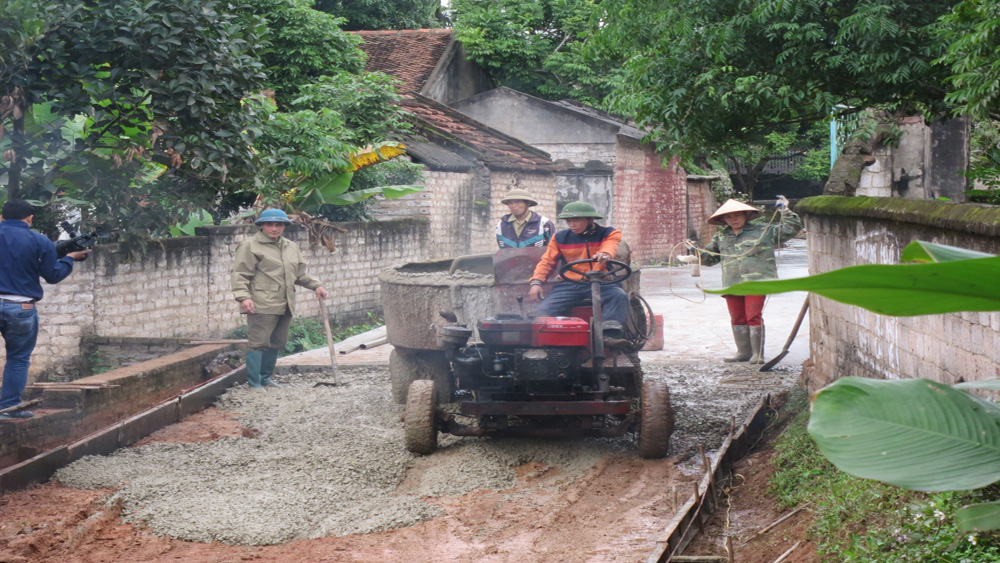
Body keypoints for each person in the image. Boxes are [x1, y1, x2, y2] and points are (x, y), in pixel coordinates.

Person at [679, 198, 802, 364]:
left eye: (737, 215)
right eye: (729, 217)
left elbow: (790, 230)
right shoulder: (722, 236)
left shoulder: (763, 230)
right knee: (737, 317)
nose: (734, 220)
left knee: (753, 316)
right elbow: (710, 258)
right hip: (732, 282)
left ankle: (757, 354)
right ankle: (743, 352)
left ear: (746, 215)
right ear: (723, 220)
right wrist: (695, 254)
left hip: (757, 281)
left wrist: (785, 211)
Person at [0, 200, 91, 418]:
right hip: (20, 307)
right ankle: (7, 408)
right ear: (30, 218)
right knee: (18, 358)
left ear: (2, 216)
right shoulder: (39, 241)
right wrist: (69, 258)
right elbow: (53, 275)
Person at [232, 209, 328, 389]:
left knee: (277, 342)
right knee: (258, 342)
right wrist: (243, 297)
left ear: (284, 226)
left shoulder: (290, 246)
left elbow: (299, 274)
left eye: (279, 224)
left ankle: (266, 378)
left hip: (285, 302)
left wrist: (317, 285)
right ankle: (254, 383)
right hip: (261, 301)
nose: (274, 228)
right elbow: (240, 274)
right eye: (269, 224)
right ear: (261, 225)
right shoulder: (250, 246)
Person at [528, 201, 628, 343]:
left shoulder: (609, 233)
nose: (572, 225)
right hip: (571, 283)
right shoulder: (559, 237)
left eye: (576, 220)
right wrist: (536, 282)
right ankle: (555, 340)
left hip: (603, 282)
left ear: (590, 219)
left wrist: (605, 254)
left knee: (618, 296)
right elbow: (547, 262)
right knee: (545, 308)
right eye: (569, 221)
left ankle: (609, 335)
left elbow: (610, 245)